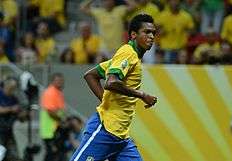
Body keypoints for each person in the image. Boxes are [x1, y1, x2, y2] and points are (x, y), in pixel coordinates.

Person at [70, 14, 157, 161]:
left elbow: (91, 75)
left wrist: (105, 100)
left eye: (153, 33)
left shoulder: (128, 57)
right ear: (133, 35)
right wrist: (142, 95)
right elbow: (111, 82)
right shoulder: (127, 53)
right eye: (147, 32)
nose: (152, 36)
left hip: (121, 138)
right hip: (105, 130)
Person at [39, 73, 65, 161]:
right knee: (51, 154)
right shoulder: (50, 92)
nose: (60, 83)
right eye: (57, 81)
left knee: (56, 154)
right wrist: (62, 120)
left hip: (55, 129)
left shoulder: (58, 93)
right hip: (50, 130)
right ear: (52, 81)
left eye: (61, 81)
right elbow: (50, 111)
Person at [0, 77, 22, 161]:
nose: (12, 90)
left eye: (14, 88)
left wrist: (23, 114)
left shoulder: (14, 99)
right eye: (11, 88)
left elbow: (21, 118)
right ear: (6, 86)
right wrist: (11, 109)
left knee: (14, 156)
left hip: (8, 131)